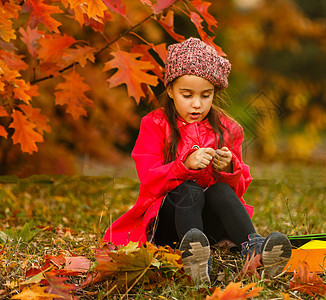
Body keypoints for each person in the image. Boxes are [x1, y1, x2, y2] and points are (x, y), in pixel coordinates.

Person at [104, 37, 292, 284]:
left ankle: (256, 250)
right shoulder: (154, 125)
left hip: (209, 226)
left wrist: (229, 168)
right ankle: (191, 255)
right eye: (187, 94)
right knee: (189, 190)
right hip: (166, 224)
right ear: (170, 90)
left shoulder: (227, 129)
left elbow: (237, 192)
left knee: (221, 190)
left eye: (206, 95)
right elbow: (149, 178)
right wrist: (184, 166)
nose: (196, 104)